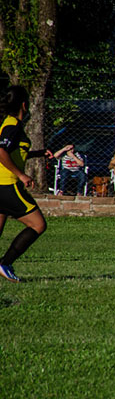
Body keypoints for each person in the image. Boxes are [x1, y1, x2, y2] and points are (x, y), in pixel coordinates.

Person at [0, 86, 54, 283]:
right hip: (7, 185)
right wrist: (21, 175)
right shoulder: (12, 126)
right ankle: (5, 264)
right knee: (38, 225)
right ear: (24, 104)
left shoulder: (9, 123)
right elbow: (1, 152)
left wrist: (38, 153)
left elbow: (13, 152)